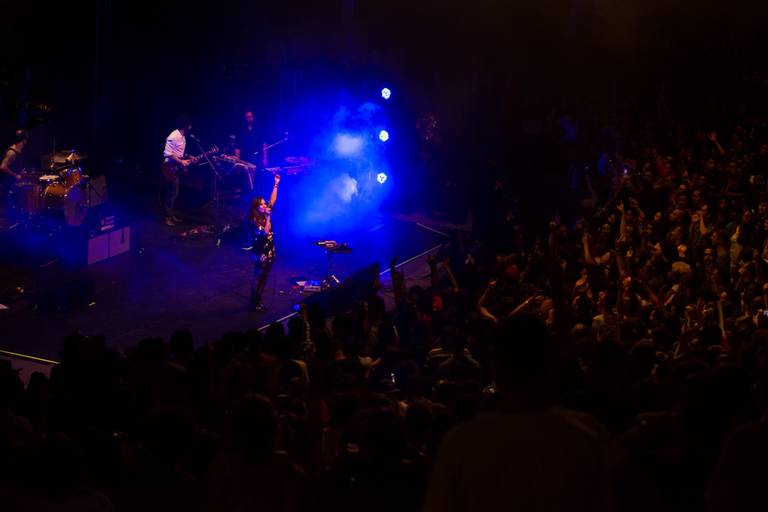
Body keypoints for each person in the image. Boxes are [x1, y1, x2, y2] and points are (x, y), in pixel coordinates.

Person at [246, 173, 281, 312]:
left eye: (264, 203)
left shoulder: (264, 212)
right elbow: (265, 232)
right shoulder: (254, 220)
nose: (265, 205)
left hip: (269, 250)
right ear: (257, 207)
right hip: (260, 252)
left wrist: (276, 184)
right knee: (259, 276)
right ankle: (254, 302)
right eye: (263, 204)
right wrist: (268, 217)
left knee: (265, 276)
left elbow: (273, 200)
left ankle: (257, 300)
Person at [162, 116, 192, 226]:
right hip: (169, 167)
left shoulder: (183, 137)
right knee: (171, 193)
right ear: (186, 125)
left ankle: (171, 214)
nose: (191, 126)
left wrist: (188, 157)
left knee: (174, 193)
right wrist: (181, 162)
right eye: (190, 124)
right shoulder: (173, 136)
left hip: (176, 168)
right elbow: (167, 153)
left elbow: (178, 153)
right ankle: (167, 217)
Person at [0, 129, 27, 209]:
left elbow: (12, 166)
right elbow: (2, 167)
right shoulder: (12, 152)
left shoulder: (18, 151)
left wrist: (20, 172)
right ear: (24, 140)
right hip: (8, 186)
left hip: (12, 184)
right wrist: (16, 175)